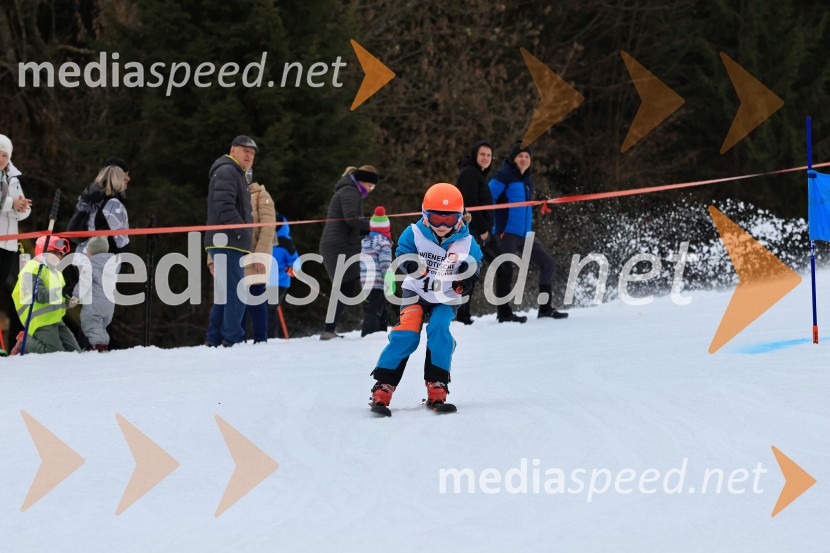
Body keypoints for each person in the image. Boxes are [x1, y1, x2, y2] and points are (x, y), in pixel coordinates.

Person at [368, 183, 483, 412]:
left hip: (446, 295)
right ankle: (384, 385)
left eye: (449, 220)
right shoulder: (415, 232)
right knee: (407, 333)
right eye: (436, 218)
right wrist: (410, 263)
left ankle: (437, 385)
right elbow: (402, 252)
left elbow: (475, 264)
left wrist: (467, 278)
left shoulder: (467, 242)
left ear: (460, 218)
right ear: (425, 215)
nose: (441, 225)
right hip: (417, 292)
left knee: (439, 330)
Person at [489, 141, 568, 320]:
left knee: (548, 263)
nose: (524, 159)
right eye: (520, 156)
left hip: (524, 234)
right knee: (505, 268)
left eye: (527, 157)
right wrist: (489, 224)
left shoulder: (527, 181)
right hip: (505, 232)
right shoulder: (503, 175)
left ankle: (545, 309)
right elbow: (488, 199)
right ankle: (504, 313)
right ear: (513, 158)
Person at [453, 139, 527, 325]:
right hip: (475, 232)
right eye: (482, 154)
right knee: (474, 270)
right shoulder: (470, 174)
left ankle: (502, 313)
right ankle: (463, 316)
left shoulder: (477, 174)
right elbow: (469, 205)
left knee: (500, 267)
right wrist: (484, 230)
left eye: (488, 155)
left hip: (482, 231)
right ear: (475, 155)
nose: (486, 158)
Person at [204, 135, 257, 347]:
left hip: (227, 241)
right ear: (233, 150)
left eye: (252, 153)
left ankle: (215, 338)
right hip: (228, 242)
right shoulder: (227, 171)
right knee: (236, 291)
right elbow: (223, 205)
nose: (249, 155)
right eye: (245, 150)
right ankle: (232, 338)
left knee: (226, 293)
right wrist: (241, 231)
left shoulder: (235, 173)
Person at [318, 165, 379, 340]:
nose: (371, 190)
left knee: (346, 286)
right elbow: (351, 218)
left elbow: (351, 223)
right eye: (371, 186)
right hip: (338, 245)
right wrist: (373, 226)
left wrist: (368, 230)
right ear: (363, 181)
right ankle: (328, 329)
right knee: (345, 286)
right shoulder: (350, 192)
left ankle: (329, 328)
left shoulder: (352, 191)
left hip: (343, 243)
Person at [10, 235, 81, 355]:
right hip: (39, 320)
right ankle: (24, 341)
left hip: (55, 319)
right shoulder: (31, 269)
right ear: (43, 252)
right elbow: (39, 295)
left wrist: (68, 301)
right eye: (56, 253)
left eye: (61, 254)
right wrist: (60, 293)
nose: (60, 256)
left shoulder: (55, 272)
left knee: (75, 352)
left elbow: (57, 297)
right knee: (53, 353)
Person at [0, 135, 33, 351]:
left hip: (9, 243)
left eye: (5, 155)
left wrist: (20, 208)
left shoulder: (12, 177)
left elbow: (25, 210)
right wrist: (14, 204)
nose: (1, 158)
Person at [71, 160, 132, 255]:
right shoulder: (112, 204)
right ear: (117, 179)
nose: (128, 179)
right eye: (124, 177)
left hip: (81, 254)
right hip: (101, 258)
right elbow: (121, 240)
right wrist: (130, 258)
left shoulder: (90, 198)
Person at [242, 171, 276, 343]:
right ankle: (237, 339)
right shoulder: (232, 195)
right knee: (237, 298)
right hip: (238, 254)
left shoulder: (261, 195)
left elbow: (268, 228)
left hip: (256, 255)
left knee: (255, 295)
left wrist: (260, 256)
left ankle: (260, 339)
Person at [72, 236, 114, 352]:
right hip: (109, 304)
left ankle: (97, 347)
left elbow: (84, 282)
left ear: (92, 252)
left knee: (91, 325)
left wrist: (75, 297)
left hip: (94, 303)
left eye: (88, 251)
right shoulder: (112, 265)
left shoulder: (89, 264)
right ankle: (103, 345)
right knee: (101, 327)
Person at [359, 206, 393, 337]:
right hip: (378, 281)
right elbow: (385, 263)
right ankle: (368, 334)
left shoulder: (366, 242)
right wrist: (389, 278)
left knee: (380, 307)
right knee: (375, 309)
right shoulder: (384, 242)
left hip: (366, 280)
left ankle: (381, 332)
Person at [267, 213, 299, 338]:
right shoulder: (262, 237)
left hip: (279, 281)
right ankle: (264, 337)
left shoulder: (286, 241)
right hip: (262, 280)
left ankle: (269, 338)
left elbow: (296, 261)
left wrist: (291, 268)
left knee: (269, 309)